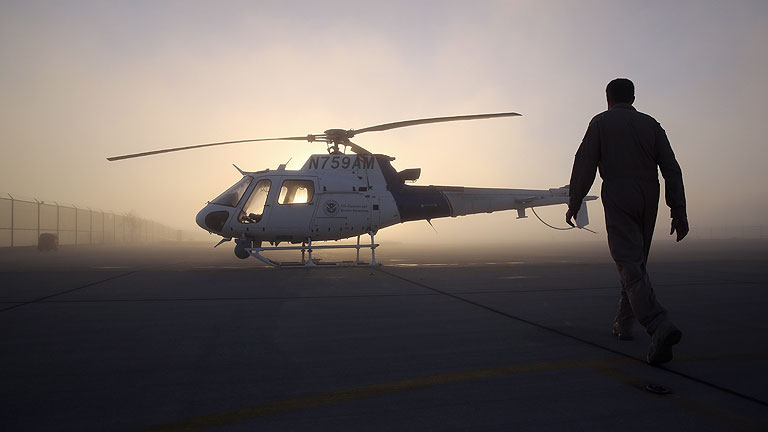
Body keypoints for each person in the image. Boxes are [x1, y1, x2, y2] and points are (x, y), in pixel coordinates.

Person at [566, 78, 689, 365]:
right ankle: (624, 323)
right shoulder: (651, 124)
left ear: (607, 98)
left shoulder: (600, 122)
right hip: (649, 194)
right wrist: (678, 210)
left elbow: (584, 164)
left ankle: (658, 324)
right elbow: (672, 169)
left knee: (629, 263)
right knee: (635, 263)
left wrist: (575, 200)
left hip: (619, 192)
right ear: (633, 98)